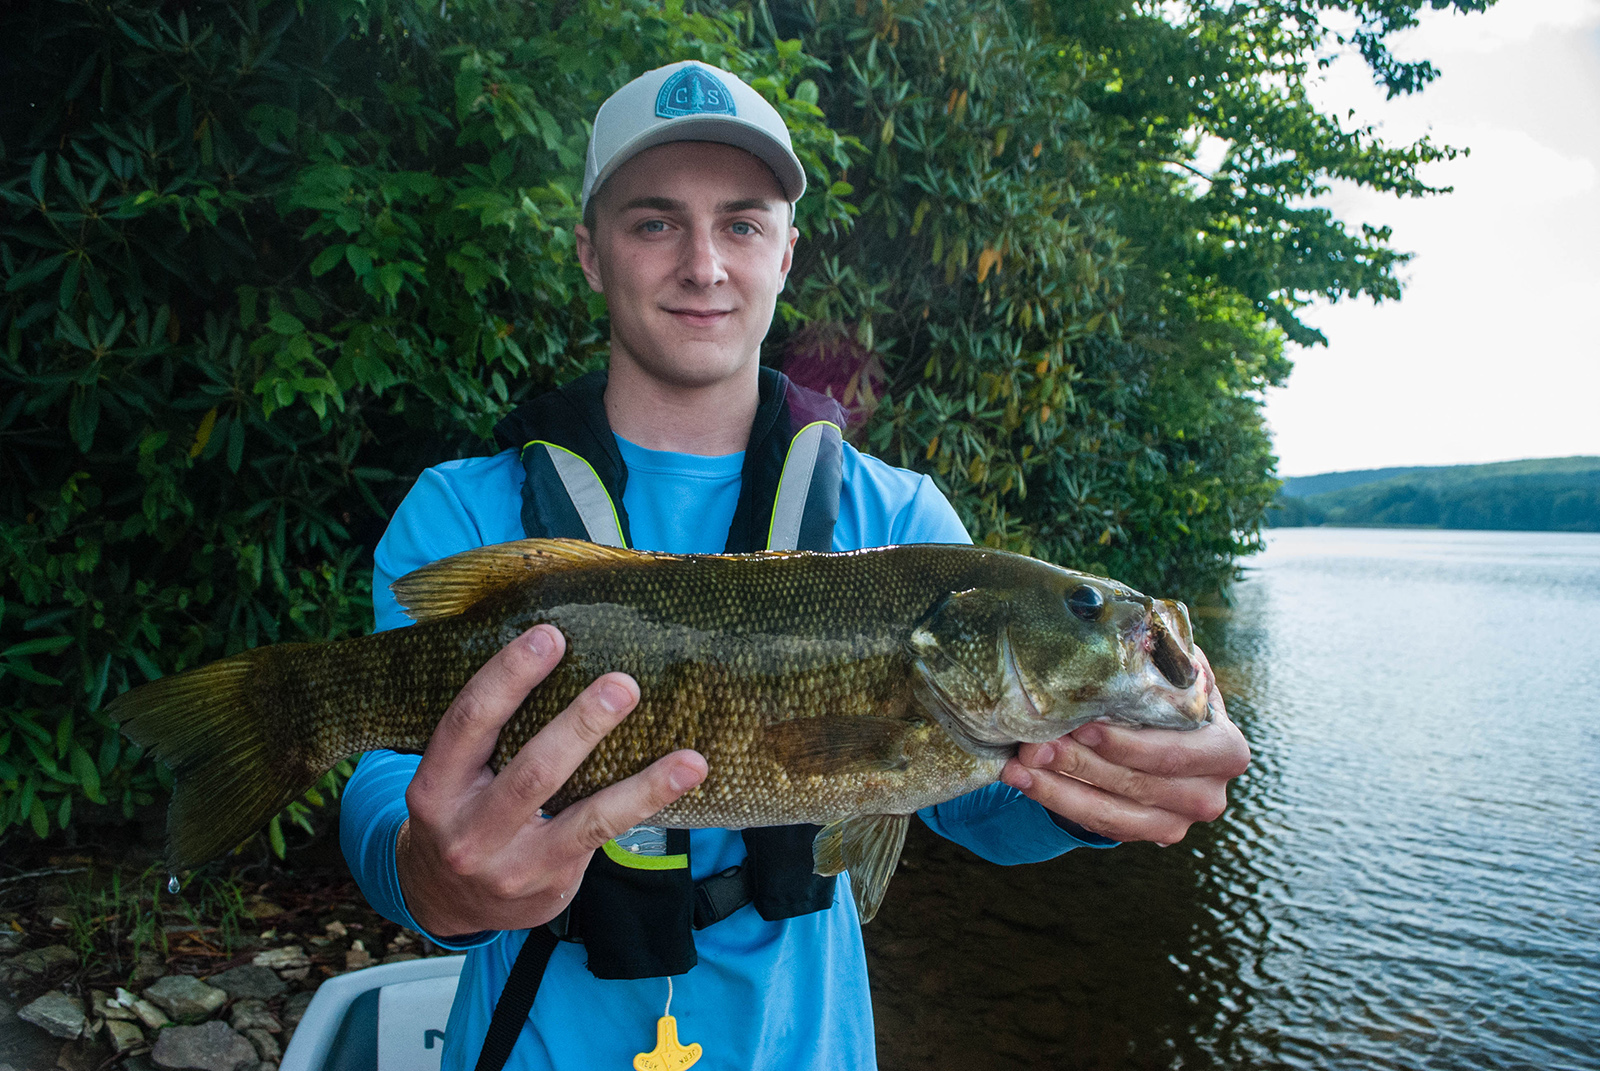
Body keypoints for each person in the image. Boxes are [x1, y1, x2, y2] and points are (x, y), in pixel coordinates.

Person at [341, 60, 1251, 1071]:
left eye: (741, 223)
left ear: (786, 255)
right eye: (653, 222)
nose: (702, 263)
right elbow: (385, 777)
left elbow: (985, 802)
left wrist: (1120, 782)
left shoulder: (899, 520)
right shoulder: (464, 509)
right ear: (590, 253)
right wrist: (429, 878)